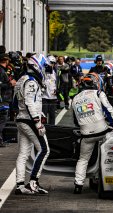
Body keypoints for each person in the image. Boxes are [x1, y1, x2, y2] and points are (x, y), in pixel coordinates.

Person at [72, 74, 113, 194]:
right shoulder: (99, 93)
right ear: (96, 83)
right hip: (102, 131)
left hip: (86, 134)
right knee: (105, 156)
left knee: (83, 159)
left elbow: (76, 121)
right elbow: (108, 109)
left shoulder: (75, 98)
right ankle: (99, 180)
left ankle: (78, 185)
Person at [14, 54, 50, 195]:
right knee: (44, 149)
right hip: (29, 120)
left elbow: (16, 102)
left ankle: (20, 185)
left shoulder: (21, 79)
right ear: (37, 66)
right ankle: (33, 182)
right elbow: (29, 102)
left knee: (23, 154)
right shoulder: (31, 81)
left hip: (21, 118)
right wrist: (38, 122)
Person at [0, 53, 12, 147]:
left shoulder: (3, 70)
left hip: (4, 99)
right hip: (2, 100)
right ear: (6, 60)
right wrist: (10, 84)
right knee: (2, 120)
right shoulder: (1, 71)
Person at [42, 55, 58, 125]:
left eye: (53, 63)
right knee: (43, 116)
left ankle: (52, 130)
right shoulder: (42, 72)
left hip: (53, 97)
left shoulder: (56, 72)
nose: (52, 64)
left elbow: (57, 83)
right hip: (44, 97)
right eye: (51, 62)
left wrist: (58, 90)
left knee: (52, 116)